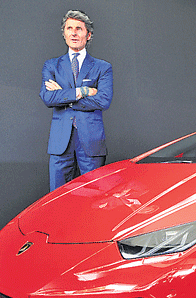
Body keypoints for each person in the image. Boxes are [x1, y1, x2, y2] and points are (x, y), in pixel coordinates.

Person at [40, 10, 113, 191]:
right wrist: (83, 91)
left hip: (91, 141)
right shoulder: (51, 65)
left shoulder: (103, 67)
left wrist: (64, 95)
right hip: (60, 143)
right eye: (69, 28)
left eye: (79, 29)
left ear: (88, 35)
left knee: (95, 197)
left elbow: (103, 100)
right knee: (57, 199)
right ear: (64, 33)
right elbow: (48, 97)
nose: (73, 33)